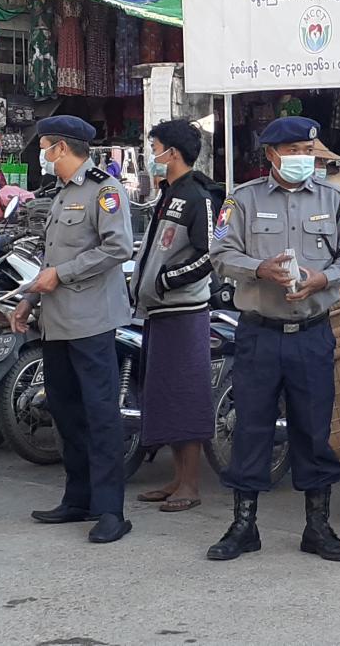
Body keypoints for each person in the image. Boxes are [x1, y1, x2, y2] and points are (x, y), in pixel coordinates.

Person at [207, 116, 340, 562]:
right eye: (293, 151)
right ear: (271, 154)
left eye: (308, 151)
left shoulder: (334, 200)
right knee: (250, 427)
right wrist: (259, 269)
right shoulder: (242, 200)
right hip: (259, 333)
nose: (302, 158)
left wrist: (324, 278)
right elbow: (220, 253)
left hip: (313, 334)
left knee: (314, 430)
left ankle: (318, 526)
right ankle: (244, 525)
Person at [11, 116, 135, 544]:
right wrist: (29, 299)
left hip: (91, 322)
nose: (41, 155)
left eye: (44, 146)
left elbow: (118, 247)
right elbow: (51, 260)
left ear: (61, 148)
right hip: (56, 323)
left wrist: (61, 275)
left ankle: (111, 511)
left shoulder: (104, 189)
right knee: (66, 413)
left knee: (100, 417)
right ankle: (78, 498)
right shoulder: (62, 192)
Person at [130, 119, 217, 515]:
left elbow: (210, 254)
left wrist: (165, 280)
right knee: (166, 395)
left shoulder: (198, 195)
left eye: (155, 149)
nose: (152, 156)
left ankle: (191, 484)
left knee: (186, 396)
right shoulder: (168, 192)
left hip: (184, 311)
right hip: (160, 310)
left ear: (173, 153)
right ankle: (177, 479)